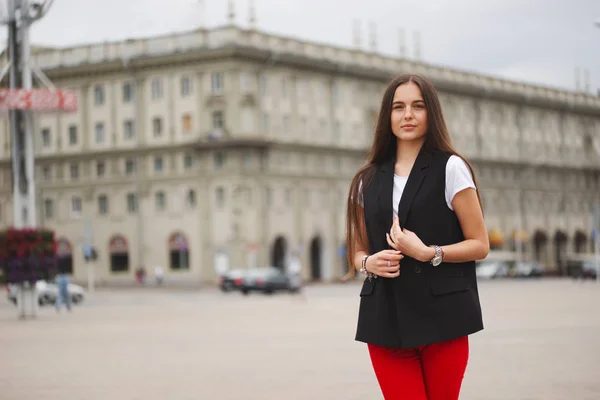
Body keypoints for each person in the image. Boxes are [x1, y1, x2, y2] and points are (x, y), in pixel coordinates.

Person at [345, 74, 489, 400]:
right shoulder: (366, 179)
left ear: (431, 114)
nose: (407, 114)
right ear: (387, 116)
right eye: (398, 107)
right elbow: (357, 250)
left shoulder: (451, 168)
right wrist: (368, 262)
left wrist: (428, 252)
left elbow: (480, 244)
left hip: (444, 318)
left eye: (417, 106)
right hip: (385, 318)